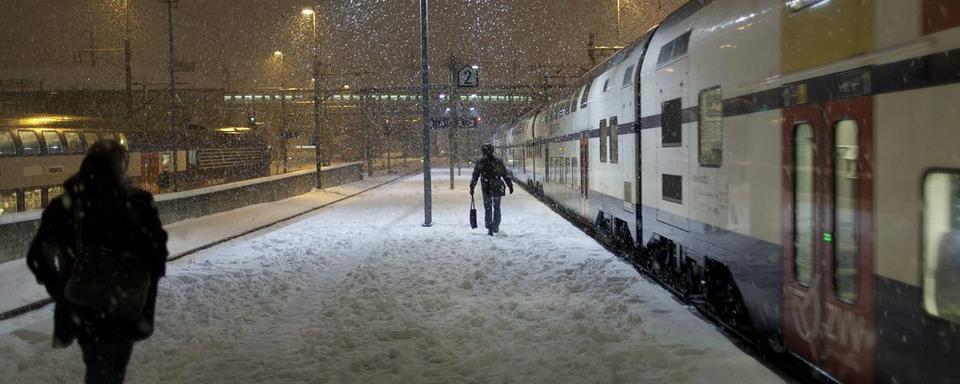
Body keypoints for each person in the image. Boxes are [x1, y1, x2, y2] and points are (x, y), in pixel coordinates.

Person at [27, 140, 168, 384]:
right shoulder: (138, 204)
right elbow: (156, 256)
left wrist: (62, 289)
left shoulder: (64, 207)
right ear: (121, 167)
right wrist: (138, 284)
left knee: (97, 365)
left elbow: (37, 257)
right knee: (110, 370)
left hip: (82, 307)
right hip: (124, 307)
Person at [470, 143, 513, 236]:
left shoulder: (481, 162)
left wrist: (472, 186)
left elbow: (475, 175)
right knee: (497, 207)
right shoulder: (498, 162)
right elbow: (504, 174)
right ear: (493, 151)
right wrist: (509, 185)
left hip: (486, 187)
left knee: (488, 207)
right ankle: (495, 226)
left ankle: (489, 227)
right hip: (497, 187)